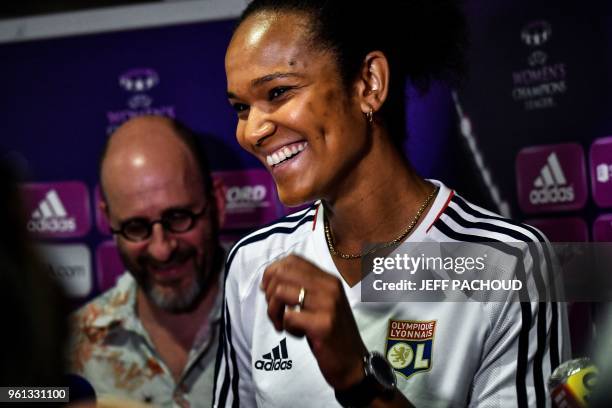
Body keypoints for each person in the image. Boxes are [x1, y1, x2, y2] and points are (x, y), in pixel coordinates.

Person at [214, 1, 570, 407]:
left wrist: (358, 377)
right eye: (241, 107)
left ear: (369, 83)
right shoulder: (251, 263)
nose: (252, 131)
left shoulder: (508, 262)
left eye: (278, 92)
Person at [69, 116, 225, 407]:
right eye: (136, 227)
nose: (162, 249)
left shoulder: (276, 320)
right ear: (108, 220)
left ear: (217, 203)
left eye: (179, 217)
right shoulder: (70, 346)